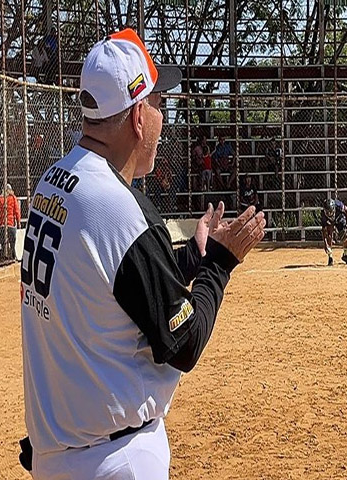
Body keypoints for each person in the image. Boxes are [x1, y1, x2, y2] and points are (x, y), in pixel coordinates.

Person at [18, 28, 265, 480]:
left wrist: (193, 256)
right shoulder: (120, 208)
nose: (161, 117)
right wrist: (220, 264)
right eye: (158, 104)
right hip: (113, 458)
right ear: (137, 116)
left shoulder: (54, 181)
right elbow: (183, 343)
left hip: (55, 451)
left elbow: (112, 281)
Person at [0, 183, 21, 260]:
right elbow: (17, 211)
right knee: (13, 242)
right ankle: (13, 257)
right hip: (11, 224)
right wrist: (18, 222)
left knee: (3, 242)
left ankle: (4, 257)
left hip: (2, 224)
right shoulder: (13, 197)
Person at [321, 198, 347, 266]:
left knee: (344, 234)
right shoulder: (323, 215)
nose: (329, 213)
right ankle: (330, 257)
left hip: (339, 217)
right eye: (327, 212)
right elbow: (324, 230)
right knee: (329, 235)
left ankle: (345, 254)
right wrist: (325, 244)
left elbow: (346, 210)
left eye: (330, 211)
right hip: (330, 221)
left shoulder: (338, 205)